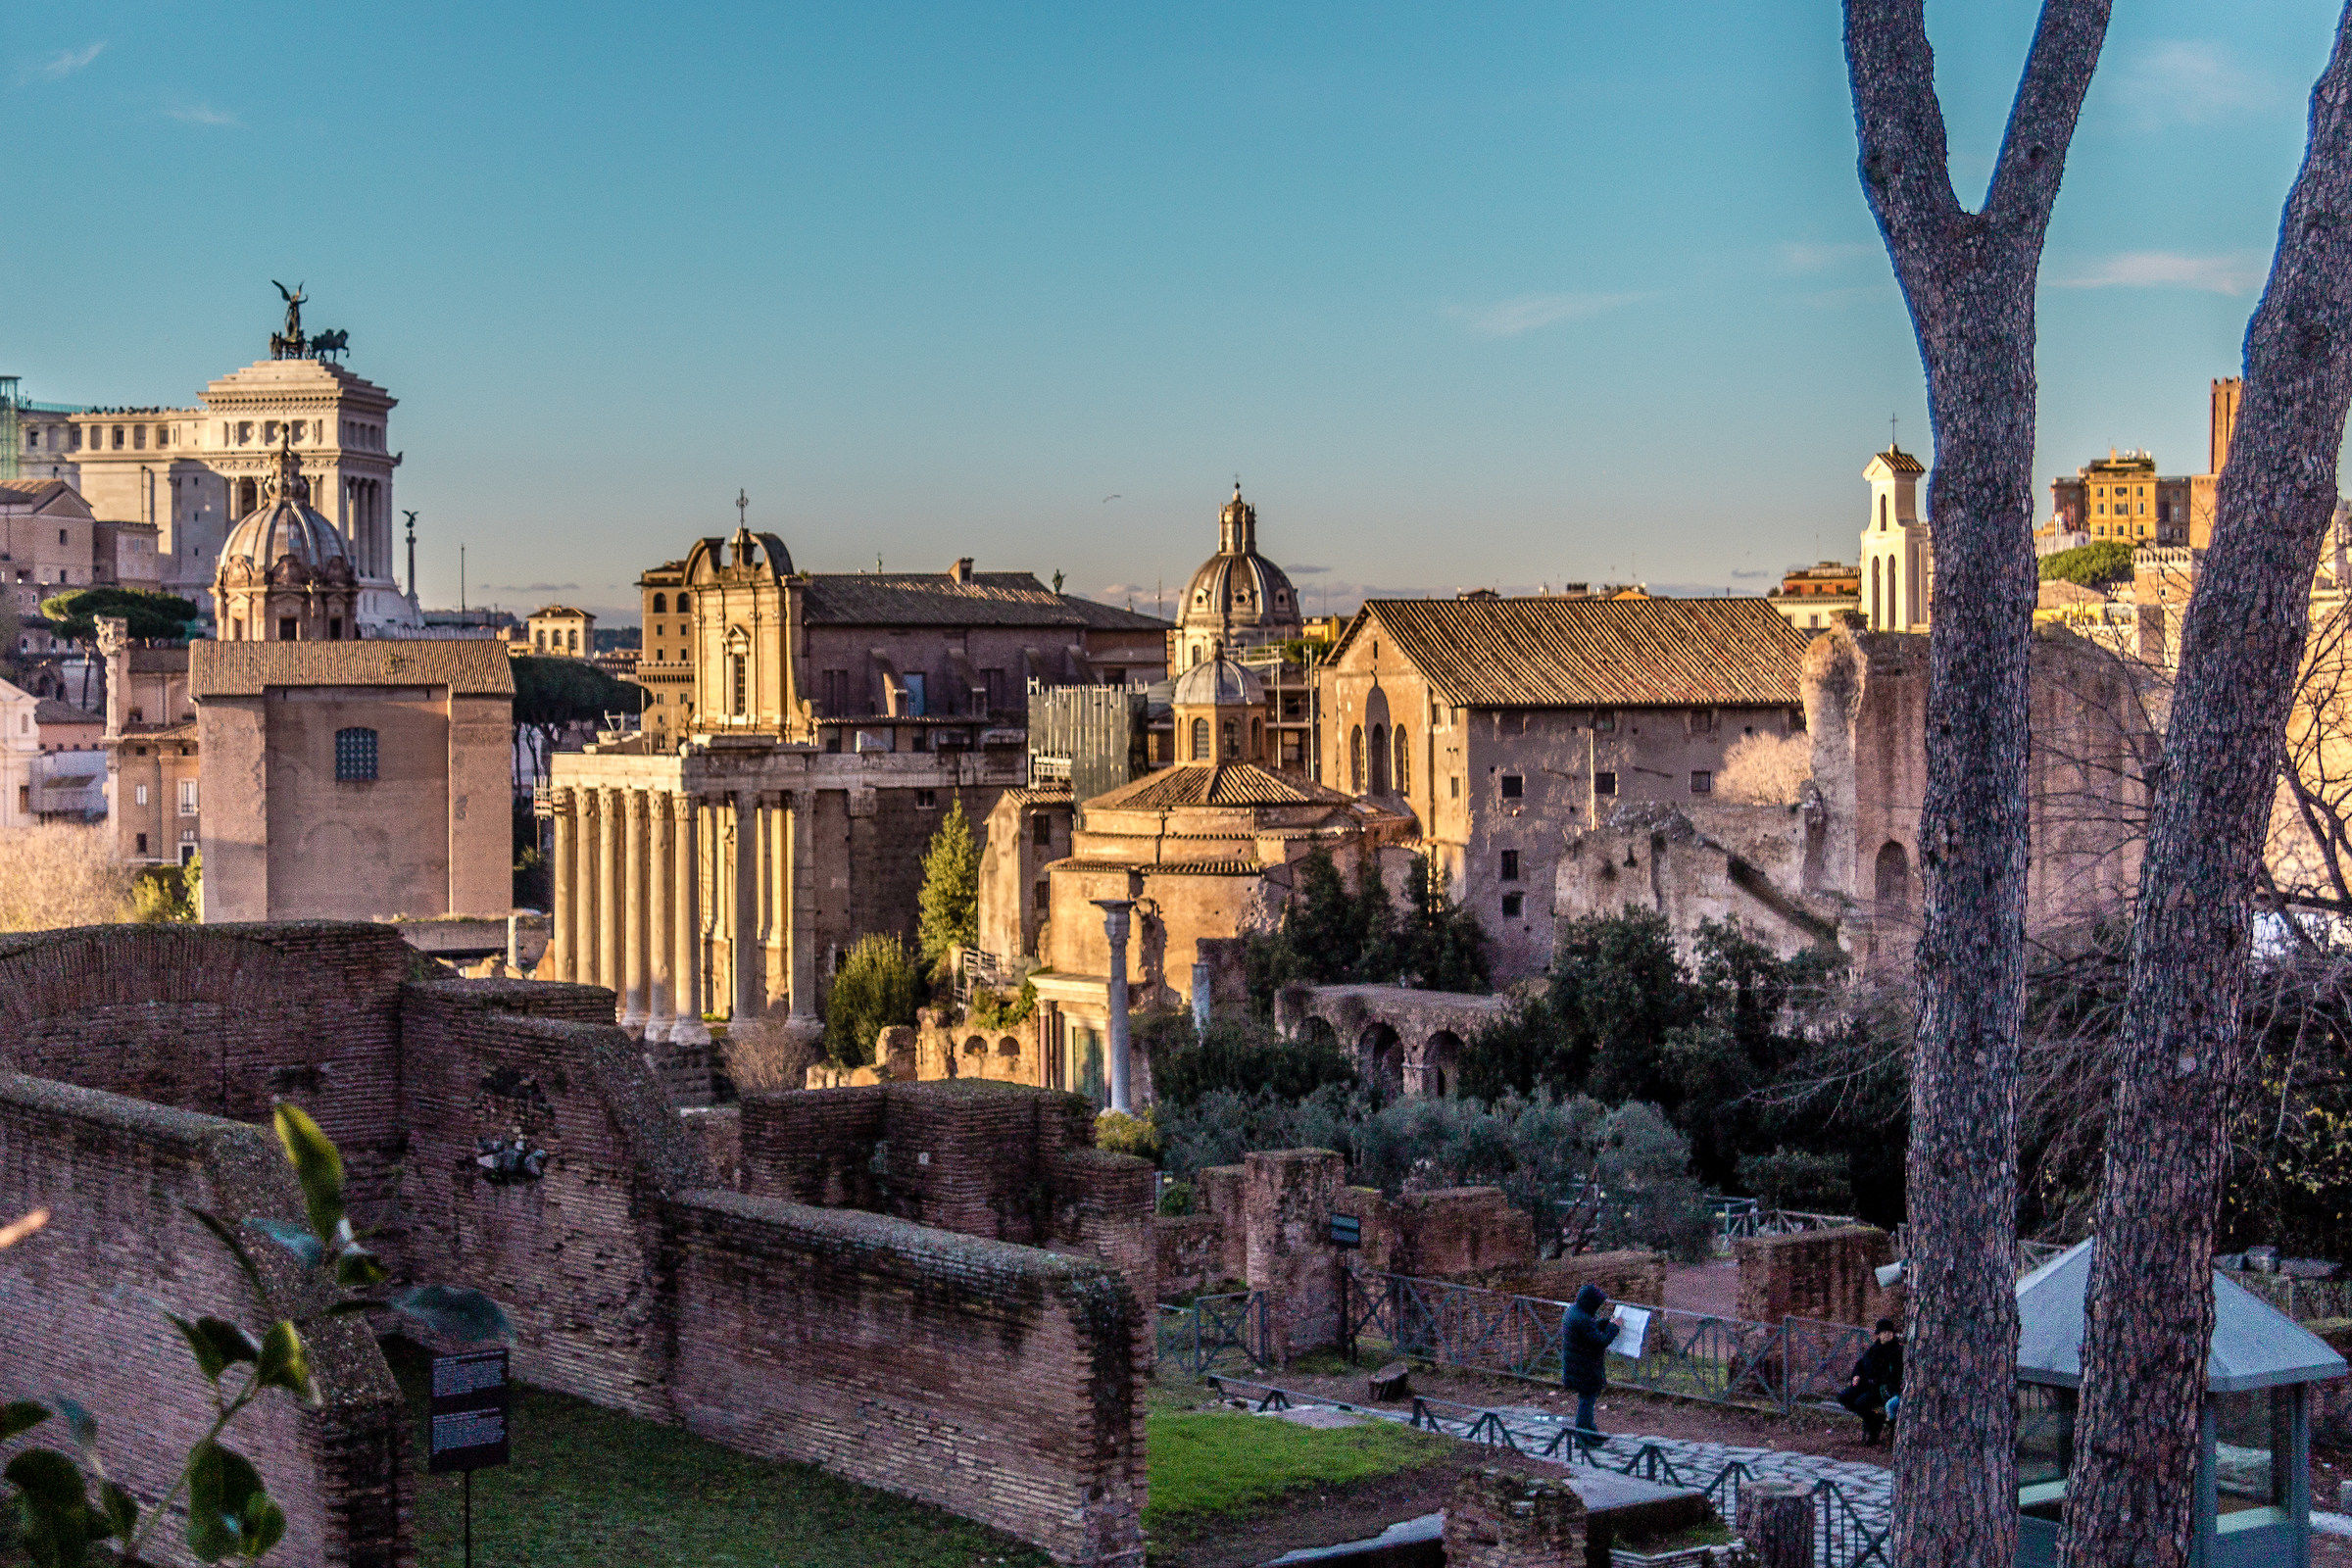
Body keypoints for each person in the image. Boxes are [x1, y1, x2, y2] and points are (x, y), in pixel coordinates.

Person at [1562, 1283, 1621, 1441]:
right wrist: (1613, 1328)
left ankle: (1590, 1432)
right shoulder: (1582, 1318)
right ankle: (1584, 1437)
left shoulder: (1574, 1312)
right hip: (1584, 1368)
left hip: (1578, 1366)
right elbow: (1601, 1340)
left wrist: (1604, 1323)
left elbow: (1590, 1331)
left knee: (1587, 1400)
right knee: (1586, 1401)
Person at [1838, 1318, 1904, 1445]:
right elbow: (1861, 1364)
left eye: (1889, 1332)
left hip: (1882, 1389)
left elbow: (1894, 1375)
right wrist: (1856, 1375)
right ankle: (1875, 1419)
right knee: (1843, 1397)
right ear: (1878, 1334)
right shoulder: (1874, 1348)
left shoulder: (1897, 1351)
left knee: (1860, 1402)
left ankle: (1873, 1430)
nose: (1887, 1335)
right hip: (1865, 1383)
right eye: (1884, 1332)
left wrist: (1878, 1382)